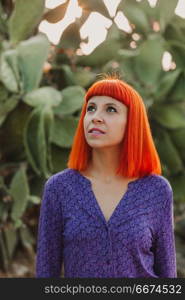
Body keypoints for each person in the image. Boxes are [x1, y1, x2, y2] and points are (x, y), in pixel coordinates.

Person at [36, 75, 177, 278]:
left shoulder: (157, 190)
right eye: (91, 108)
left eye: (110, 109)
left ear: (132, 123)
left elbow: (167, 273)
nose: (96, 117)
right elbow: (45, 273)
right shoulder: (59, 188)